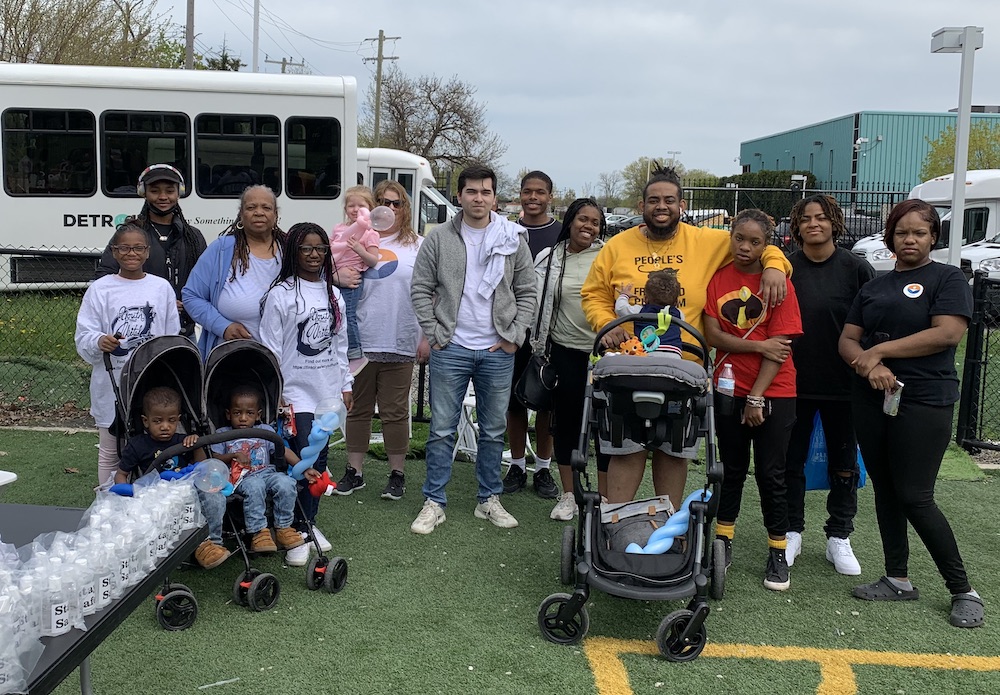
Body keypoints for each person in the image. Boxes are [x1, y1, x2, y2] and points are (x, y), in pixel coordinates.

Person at [581, 166, 791, 509]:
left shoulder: (707, 241)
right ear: (641, 206)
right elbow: (593, 295)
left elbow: (753, 242)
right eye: (653, 200)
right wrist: (608, 323)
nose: (660, 206)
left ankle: (669, 530)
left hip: (684, 372)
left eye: (668, 200)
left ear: (682, 204)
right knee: (627, 450)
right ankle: (614, 528)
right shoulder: (617, 246)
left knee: (672, 452)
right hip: (628, 368)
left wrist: (774, 264)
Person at [838, 199, 983, 629]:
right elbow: (848, 339)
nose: (910, 240)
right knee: (885, 488)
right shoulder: (874, 286)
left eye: (919, 233)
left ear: (933, 237)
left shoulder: (948, 278)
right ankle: (897, 578)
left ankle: (963, 589)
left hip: (924, 399)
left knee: (915, 495)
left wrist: (879, 351)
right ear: (891, 238)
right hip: (871, 398)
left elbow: (948, 332)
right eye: (902, 233)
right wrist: (870, 364)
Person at [409, 163, 536, 534]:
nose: (478, 198)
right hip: (452, 346)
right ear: (459, 196)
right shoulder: (439, 238)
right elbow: (420, 288)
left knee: (494, 430)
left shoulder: (513, 237)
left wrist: (515, 335)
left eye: (485, 192)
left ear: (495, 196)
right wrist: (434, 333)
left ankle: (488, 499)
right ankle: (434, 501)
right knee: (441, 430)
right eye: (471, 191)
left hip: (498, 350)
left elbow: (528, 291)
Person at [703, 209, 802, 592]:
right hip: (728, 387)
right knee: (730, 470)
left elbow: (781, 351)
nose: (745, 247)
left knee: (771, 474)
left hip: (774, 390)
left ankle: (778, 549)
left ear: (767, 244)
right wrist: (757, 344)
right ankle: (723, 540)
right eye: (739, 238)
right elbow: (714, 335)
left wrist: (757, 397)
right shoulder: (718, 278)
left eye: (755, 241)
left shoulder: (778, 284)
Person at [784, 195, 875, 576]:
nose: (814, 224)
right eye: (806, 219)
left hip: (844, 384)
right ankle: (790, 531)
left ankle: (839, 535)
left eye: (821, 218)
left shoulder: (857, 269)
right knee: (790, 461)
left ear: (834, 222)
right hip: (791, 383)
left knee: (844, 463)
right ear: (797, 226)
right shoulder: (784, 268)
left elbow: (871, 325)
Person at [259, 222, 353, 567]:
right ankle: (292, 532)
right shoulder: (280, 294)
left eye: (321, 249)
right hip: (295, 393)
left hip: (326, 393)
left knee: (321, 462)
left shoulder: (333, 293)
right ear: (293, 252)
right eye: (306, 248)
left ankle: (308, 523)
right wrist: (277, 393)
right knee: (298, 464)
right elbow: (269, 347)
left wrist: (346, 385)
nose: (314, 255)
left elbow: (340, 345)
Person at [341, 180, 429, 499]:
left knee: (394, 412)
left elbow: (430, 294)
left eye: (397, 203)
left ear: (405, 209)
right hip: (360, 341)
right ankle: (355, 471)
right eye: (382, 201)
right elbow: (331, 277)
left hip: (401, 340)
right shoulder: (354, 237)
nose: (389, 208)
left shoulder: (418, 245)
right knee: (358, 410)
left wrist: (426, 336)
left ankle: (397, 474)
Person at [75, 223, 180, 486]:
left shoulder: (161, 287)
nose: (130, 253)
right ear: (113, 251)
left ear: (147, 252)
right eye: (124, 247)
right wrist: (100, 341)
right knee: (111, 451)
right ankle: (108, 504)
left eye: (137, 248)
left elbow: (171, 336)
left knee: (156, 443)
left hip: (152, 381)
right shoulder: (100, 289)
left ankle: (156, 500)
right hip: (111, 383)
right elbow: (84, 334)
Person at [530, 198, 612, 520]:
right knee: (565, 424)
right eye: (582, 219)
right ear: (570, 221)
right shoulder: (550, 258)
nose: (588, 226)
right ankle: (569, 495)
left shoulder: (609, 256)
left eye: (595, 221)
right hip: (564, 351)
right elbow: (535, 301)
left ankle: (605, 498)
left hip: (604, 355)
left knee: (606, 428)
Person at [112, 386, 230, 570]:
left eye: (171, 420)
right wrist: (128, 496)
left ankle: (213, 542)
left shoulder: (183, 440)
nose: (165, 426)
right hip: (158, 494)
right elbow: (122, 474)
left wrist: (197, 445)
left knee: (214, 496)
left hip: (188, 488)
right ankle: (196, 546)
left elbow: (202, 468)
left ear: (178, 420)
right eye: (158, 421)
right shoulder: (137, 446)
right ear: (145, 421)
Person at [95, 164, 206, 336]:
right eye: (155, 191)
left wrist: (190, 303)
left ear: (179, 192)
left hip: (185, 329)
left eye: (169, 191)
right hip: (141, 330)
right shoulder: (129, 233)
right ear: (143, 192)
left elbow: (205, 281)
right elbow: (104, 278)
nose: (163, 197)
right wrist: (155, 301)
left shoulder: (193, 236)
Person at [503, 171, 560, 499]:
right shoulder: (509, 232)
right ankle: (517, 466)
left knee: (546, 403)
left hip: (550, 332)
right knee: (514, 403)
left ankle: (543, 469)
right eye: (528, 192)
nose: (533, 197)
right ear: (521, 194)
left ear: (550, 196)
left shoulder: (560, 234)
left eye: (540, 192)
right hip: (513, 329)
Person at [182, 185, 284, 360]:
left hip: (285, 360)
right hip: (229, 359)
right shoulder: (222, 249)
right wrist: (222, 326)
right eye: (251, 207)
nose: (259, 212)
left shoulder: (289, 249)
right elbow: (191, 296)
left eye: (266, 207)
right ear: (241, 214)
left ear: (275, 214)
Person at [210, 385, 309, 555]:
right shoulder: (222, 433)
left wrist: (303, 467)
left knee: (286, 482)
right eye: (236, 413)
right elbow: (214, 458)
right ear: (228, 414)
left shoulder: (265, 431)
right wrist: (233, 455)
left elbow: (282, 450)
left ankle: (284, 527)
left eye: (249, 413)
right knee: (255, 485)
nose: (242, 418)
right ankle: (259, 532)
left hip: (267, 473)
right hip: (241, 478)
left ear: (258, 415)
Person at [331, 184, 381, 374]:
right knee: (336, 313)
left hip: (353, 277)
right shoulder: (338, 228)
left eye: (360, 205)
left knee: (348, 314)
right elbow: (330, 247)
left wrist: (359, 250)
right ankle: (339, 349)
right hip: (336, 274)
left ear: (370, 208)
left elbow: (373, 260)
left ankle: (355, 353)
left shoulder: (370, 233)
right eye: (351, 205)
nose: (355, 209)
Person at [614, 268, 685, 356]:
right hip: (674, 353)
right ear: (676, 302)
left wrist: (624, 295)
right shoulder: (678, 314)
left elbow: (620, 308)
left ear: (645, 298)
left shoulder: (640, 312)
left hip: (648, 351)